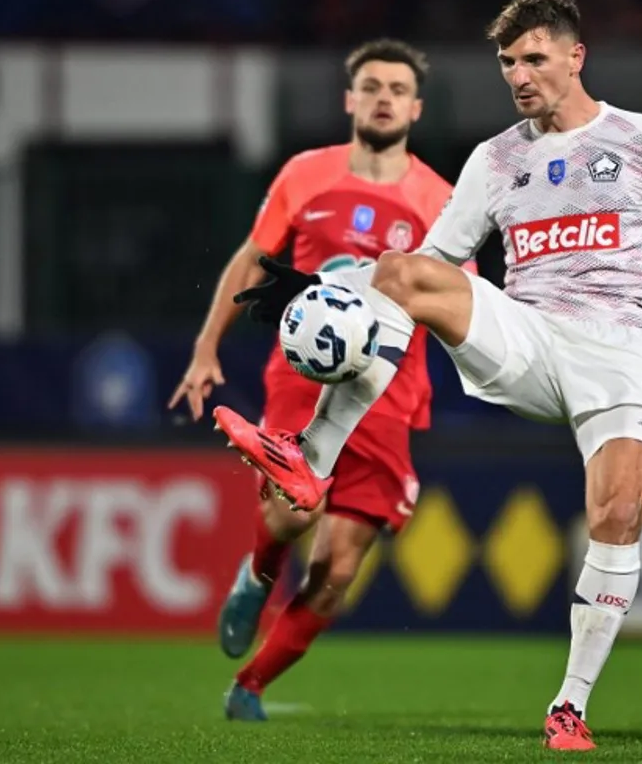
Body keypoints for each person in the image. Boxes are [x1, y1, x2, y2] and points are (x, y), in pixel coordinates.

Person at [213, 0, 642, 750]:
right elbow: (429, 263)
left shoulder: (640, 139)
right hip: (526, 335)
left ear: (574, 56)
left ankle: (569, 707)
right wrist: (335, 293)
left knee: (616, 515)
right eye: (507, 61)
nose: (519, 74)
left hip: (623, 352)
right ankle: (308, 458)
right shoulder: (494, 160)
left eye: (533, 57)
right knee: (401, 269)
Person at [169, 38, 452, 721]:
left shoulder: (443, 199)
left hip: (390, 389)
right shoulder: (306, 173)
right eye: (372, 86)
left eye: (397, 88)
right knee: (294, 510)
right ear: (350, 100)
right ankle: (257, 575)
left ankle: (250, 687)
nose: (384, 97)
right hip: (305, 376)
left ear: (415, 106)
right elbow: (253, 257)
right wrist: (207, 346)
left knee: (337, 571)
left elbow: (460, 299)